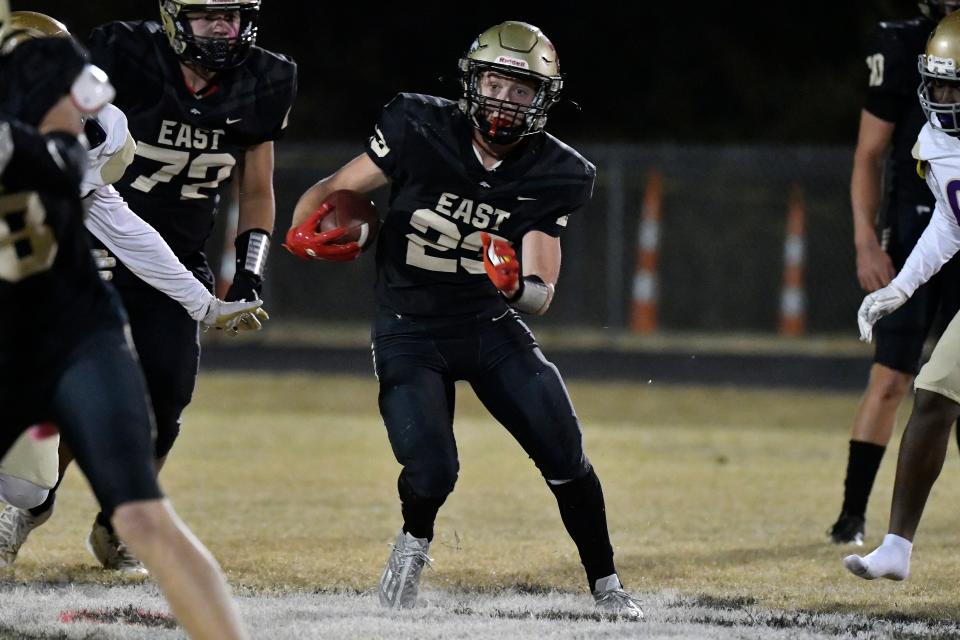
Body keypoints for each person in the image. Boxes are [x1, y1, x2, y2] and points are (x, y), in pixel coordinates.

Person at [287, 21, 641, 618]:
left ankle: (607, 585)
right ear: (472, 82)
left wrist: (514, 286)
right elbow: (334, 189)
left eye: (521, 90)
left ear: (543, 101)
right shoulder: (418, 125)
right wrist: (301, 234)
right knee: (432, 466)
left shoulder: (559, 172)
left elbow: (540, 292)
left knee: (563, 449)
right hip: (409, 324)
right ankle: (413, 542)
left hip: (486, 325)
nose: (504, 101)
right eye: (496, 85)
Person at [0, 0, 297, 573]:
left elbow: (119, 221)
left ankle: (113, 521)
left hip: (99, 261)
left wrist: (207, 301)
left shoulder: (97, 132)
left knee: (35, 473)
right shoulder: (127, 57)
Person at [829, 0, 960, 546]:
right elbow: (870, 153)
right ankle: (854, 516)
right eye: (939, 86)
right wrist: (869, 244)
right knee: (896, 377)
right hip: (922, 224)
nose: (944, 99)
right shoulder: (913, 52)